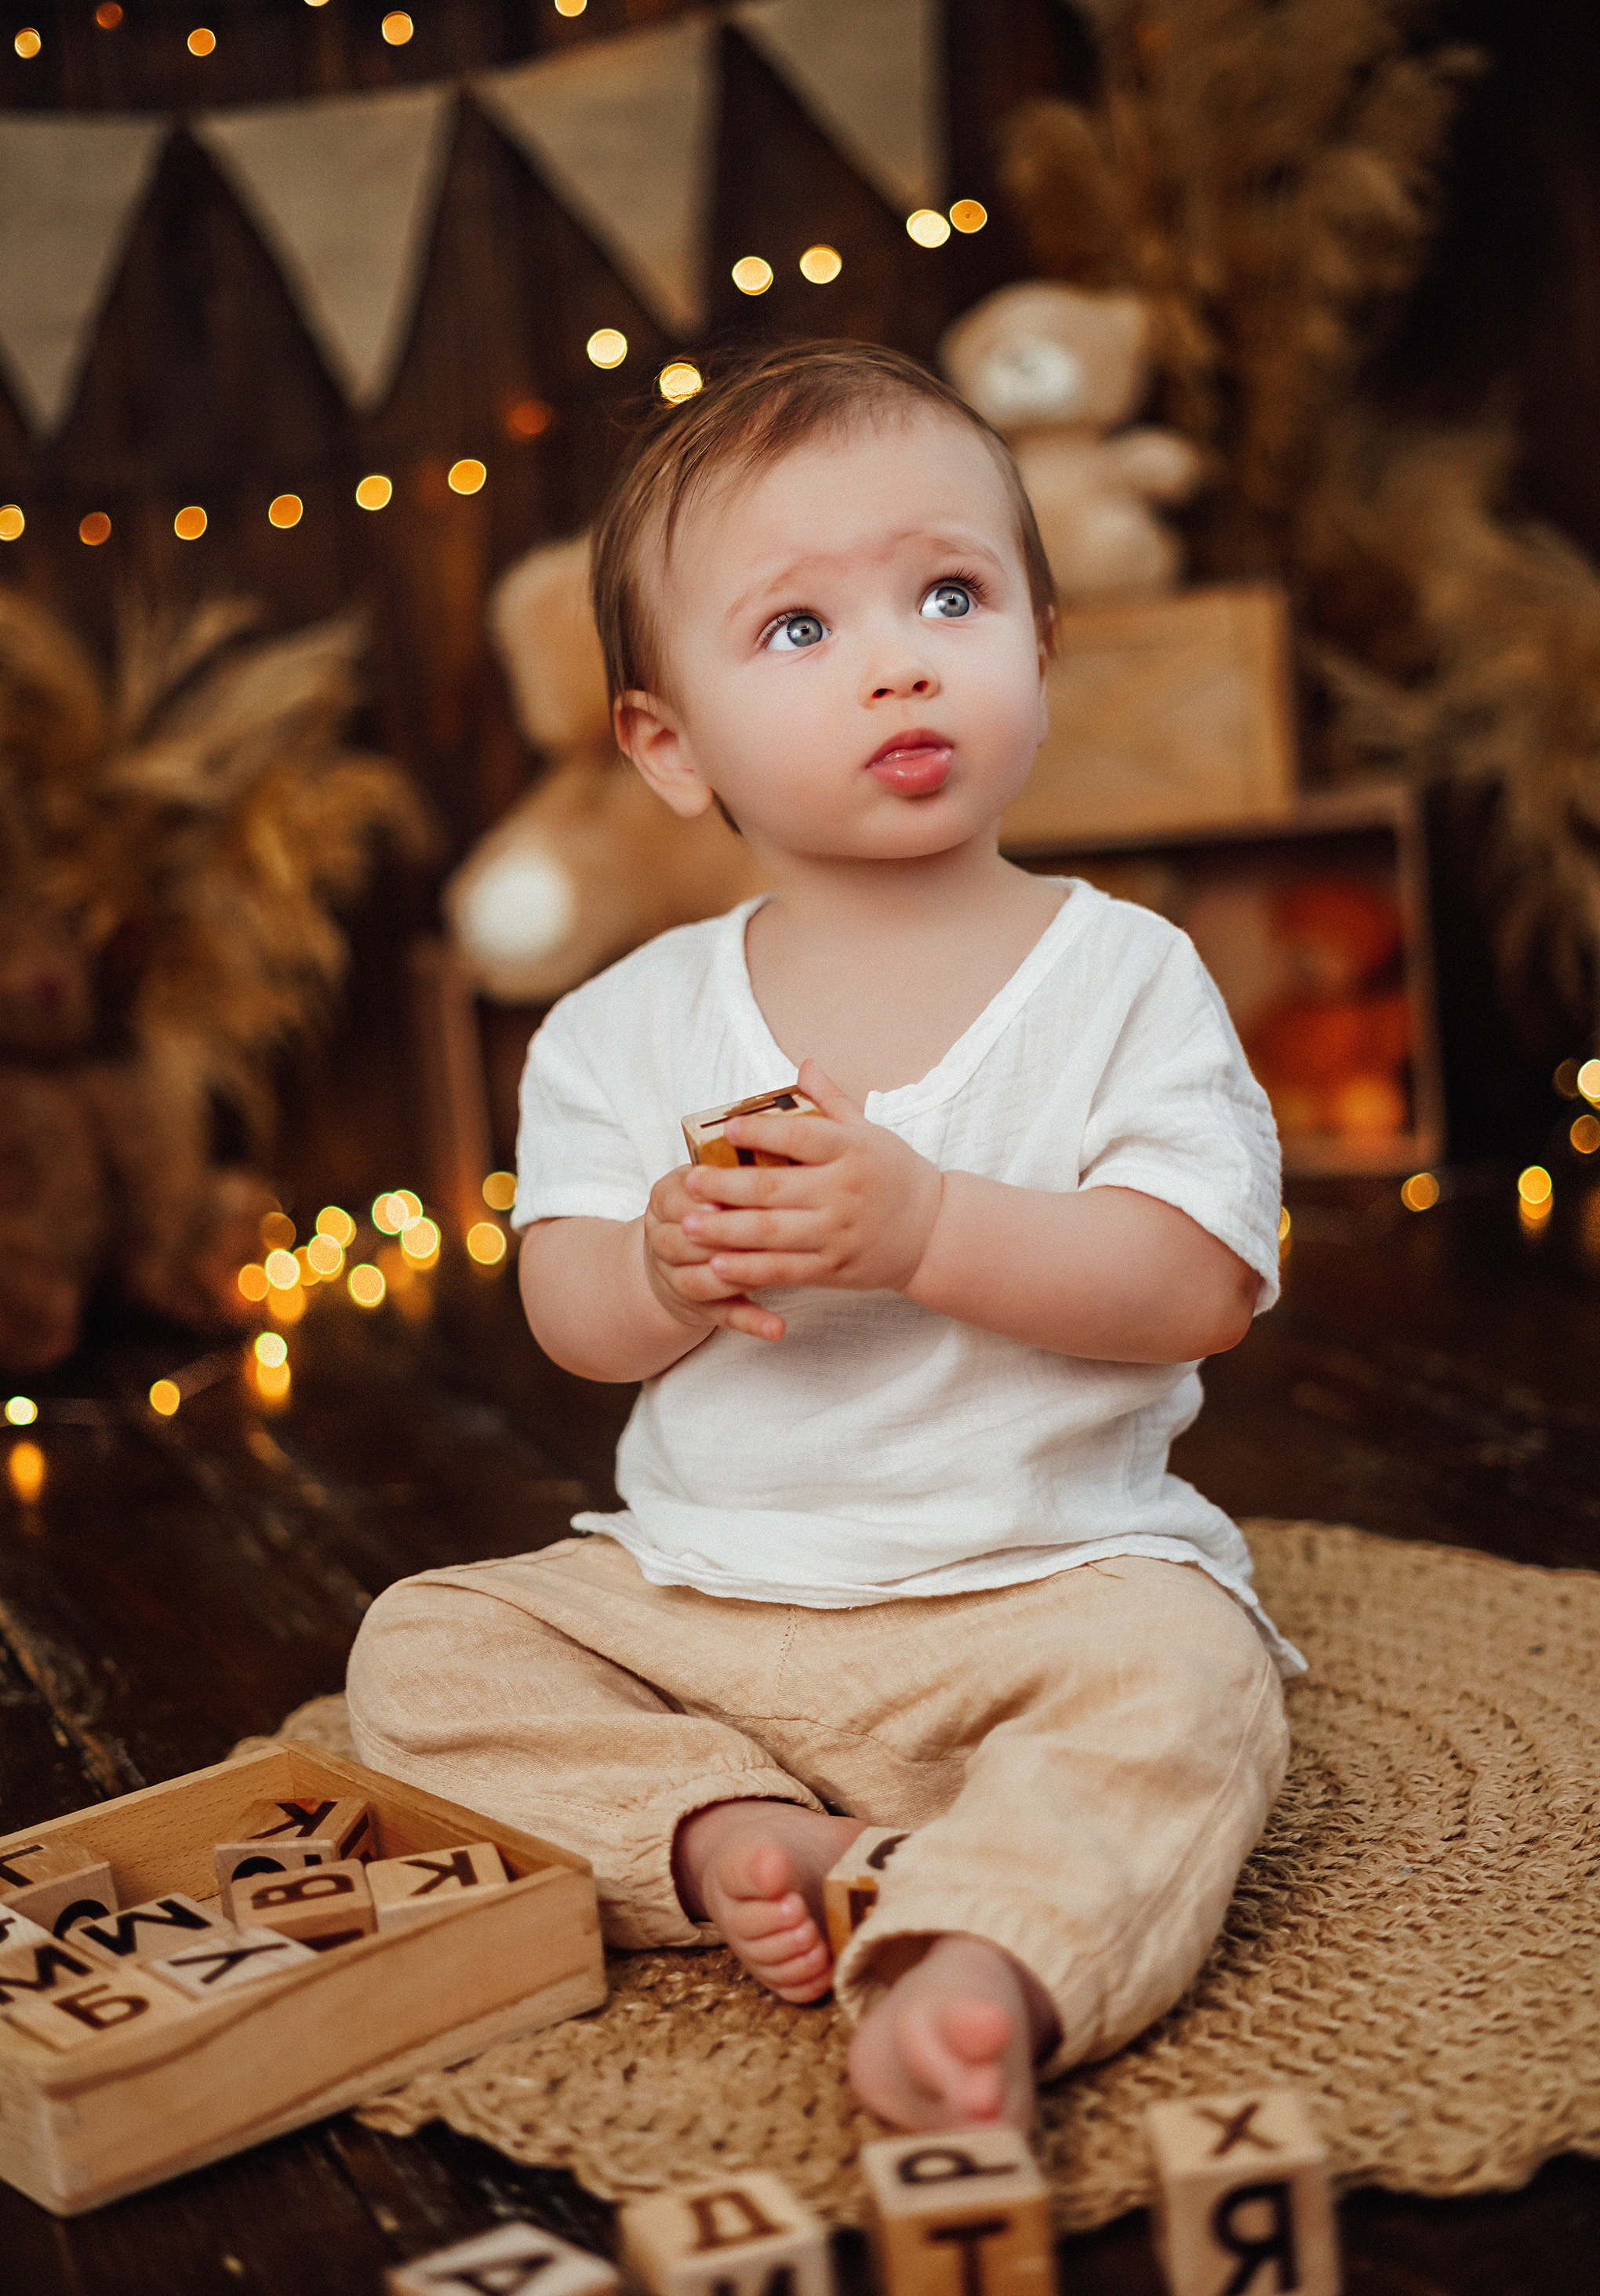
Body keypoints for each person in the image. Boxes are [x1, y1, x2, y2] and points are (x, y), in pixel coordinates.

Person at [347, 342, 1302, 2133]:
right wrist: (657, 1270)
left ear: (1039, 648)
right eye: (800, 628)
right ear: (668, 746)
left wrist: (928, 1223)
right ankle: (727, 1828)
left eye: (952, 591)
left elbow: (1198, 1282)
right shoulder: (624, 1026)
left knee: (1193, 1691)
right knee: (419, 1652)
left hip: (1039, 1593)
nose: (900, 654)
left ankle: (980, 1961)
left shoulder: (1121, 978)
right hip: (706, 1602)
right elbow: (568, 1310)